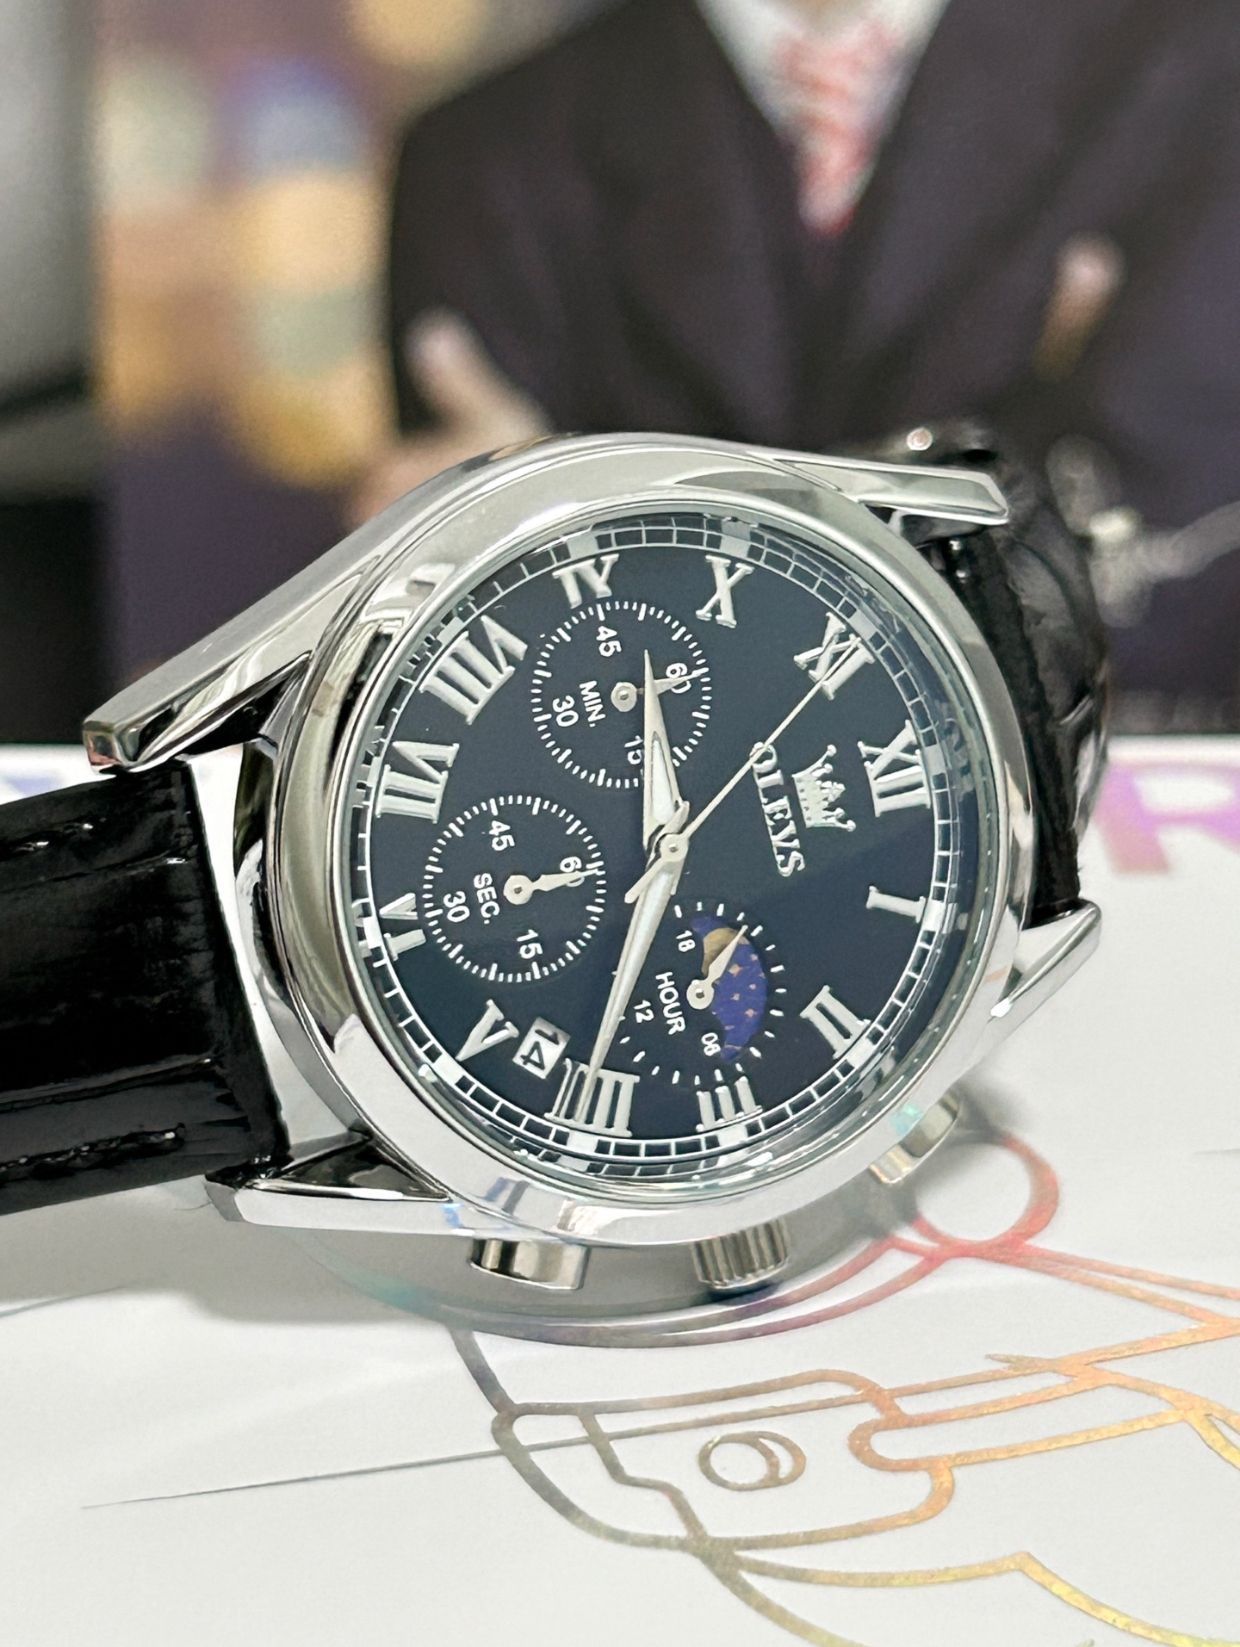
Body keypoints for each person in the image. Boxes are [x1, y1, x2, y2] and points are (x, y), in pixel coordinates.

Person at [358, 0, 1240, 726]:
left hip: (1138, 798)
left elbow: (1177, 531)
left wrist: (587, 526)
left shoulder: (1200, 73)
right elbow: (498, 668)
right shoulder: (480, 160)